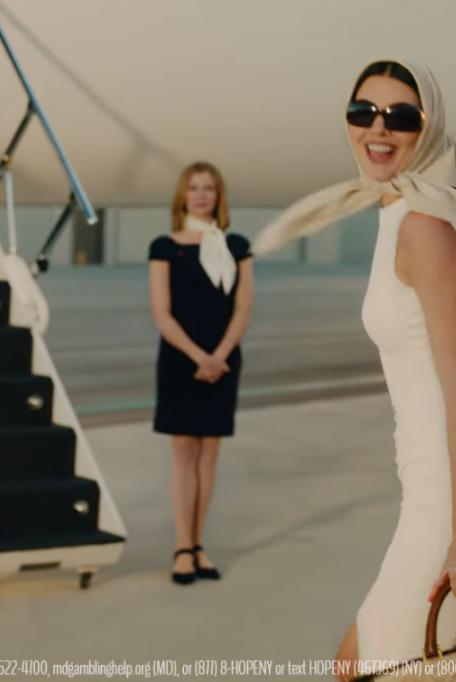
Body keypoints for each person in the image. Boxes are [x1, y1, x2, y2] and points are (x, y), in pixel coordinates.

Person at [252, 60, 456, 678]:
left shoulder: (425, 226)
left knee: (361, 668)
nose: (378, 127)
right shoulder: (408, 209)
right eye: (362, 111)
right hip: (440, 491)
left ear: (428, 128)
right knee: (371, 664)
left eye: (401, 116)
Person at [148, 161, 255, 586]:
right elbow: (161, 312)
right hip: (180, 359)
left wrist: (219, 357)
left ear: (218, 196)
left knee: (210, 452)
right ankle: (181, 546)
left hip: (224, 360)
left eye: (209, 188)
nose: (201, 194)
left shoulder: (237, 246)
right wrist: (199, 357)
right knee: (183, 452)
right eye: (193, 187)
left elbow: (244, 307)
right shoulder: (164, 246)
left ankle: (198, 544)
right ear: (182, 195)